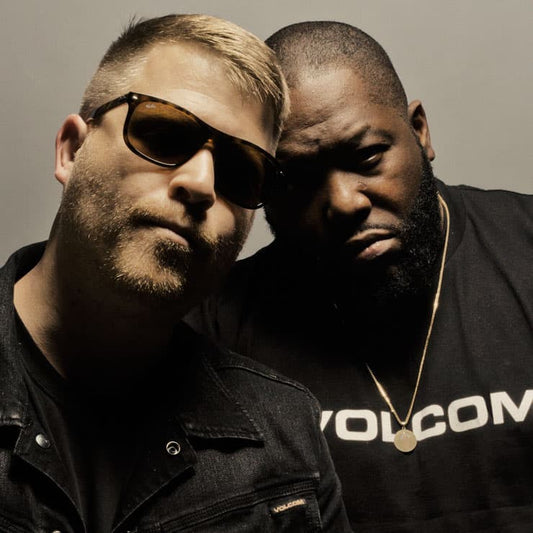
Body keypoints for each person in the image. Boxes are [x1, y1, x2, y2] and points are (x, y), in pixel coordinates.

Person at [0, 15, 351, 532]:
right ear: (72, 151)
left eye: (240, 171)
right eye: (164, 135)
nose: (202, 184)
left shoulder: (287, 437)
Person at [187, 20, 533, 532]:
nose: (344, 202)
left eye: (368, 157)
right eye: (298, 179)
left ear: (420, 132)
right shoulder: (215, 327)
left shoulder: (523, 248)